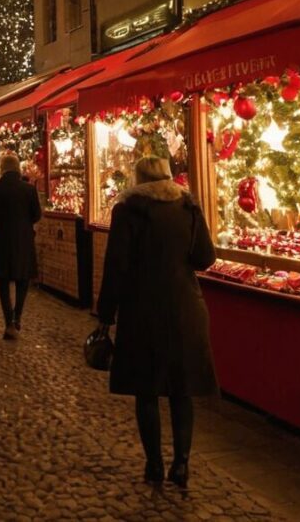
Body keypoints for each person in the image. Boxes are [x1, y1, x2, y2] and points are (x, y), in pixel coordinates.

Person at [96, 156, 218, 488]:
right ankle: (181, 464)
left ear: (138, 179)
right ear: (168, 176)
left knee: (146, 390)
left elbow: (116, 266)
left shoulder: (129, 210)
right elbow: (205, 258)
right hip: (184, 309)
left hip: (142, 310)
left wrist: (105, 315)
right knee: (182, 390)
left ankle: (154, 465)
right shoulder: (189, 206)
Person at [0, 153, 42, 340]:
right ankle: (17, 317)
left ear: (2, 168)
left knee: (3, 281)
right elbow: (37, 215)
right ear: (18, 168)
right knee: (22, 280)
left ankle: (8, 321)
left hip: (3, 240)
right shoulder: (29, 189)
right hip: (24, 240)